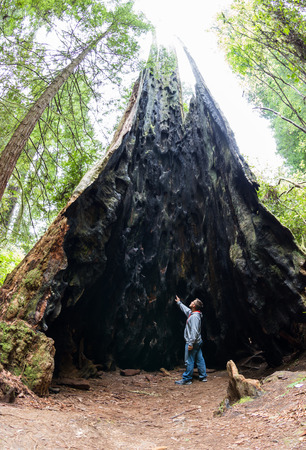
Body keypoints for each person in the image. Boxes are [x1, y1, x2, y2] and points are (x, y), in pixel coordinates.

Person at [174, 295, 207, 385]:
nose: (191, 302)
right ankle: (203, 376)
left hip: (193, 342)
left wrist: (190, 343)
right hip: (198, 342)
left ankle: (187, 379)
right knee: (199, 359)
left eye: (193, 302)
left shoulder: (194, 317)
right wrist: (179, 303)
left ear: (194, 306)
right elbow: (186, 310)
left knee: (189, 360)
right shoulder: (194, 314)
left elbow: (194, 331)